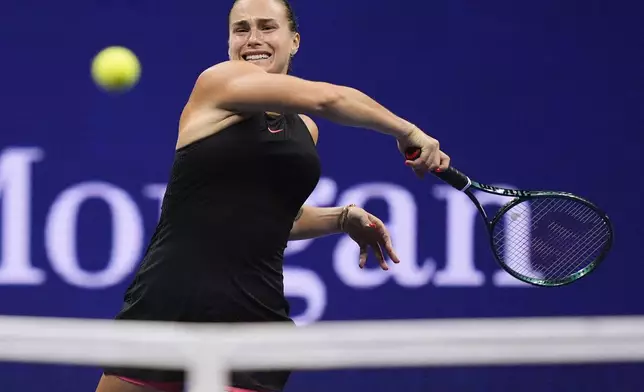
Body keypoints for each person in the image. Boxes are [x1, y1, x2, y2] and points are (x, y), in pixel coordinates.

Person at [95, 0, 450, 391]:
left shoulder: (305, 131)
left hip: (253, 315)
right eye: (241, 29)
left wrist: (341, 218)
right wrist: (406, 131)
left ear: (293, 40)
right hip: (169, 300)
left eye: (267, 27)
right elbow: (328, 98)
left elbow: (279, 217)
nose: (253, 39)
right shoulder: (218, 82)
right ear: (229, 41)